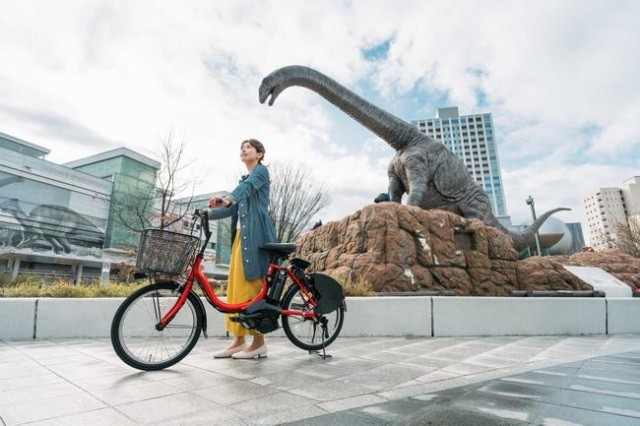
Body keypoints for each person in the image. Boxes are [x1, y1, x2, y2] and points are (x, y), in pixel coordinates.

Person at [208, 139, 276, 359]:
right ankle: (238, 340)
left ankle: (259, 341)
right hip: (241, 239)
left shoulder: (260, 173)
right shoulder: (244, 180)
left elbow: (241, 193)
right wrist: (206, 213)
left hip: (256, 236)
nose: (243, 150)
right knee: (236, 288)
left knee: (252, 286)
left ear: (259, 153)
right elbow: (231, 208)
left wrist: (227, 198)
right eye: (241, 147)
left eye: (248, 147)